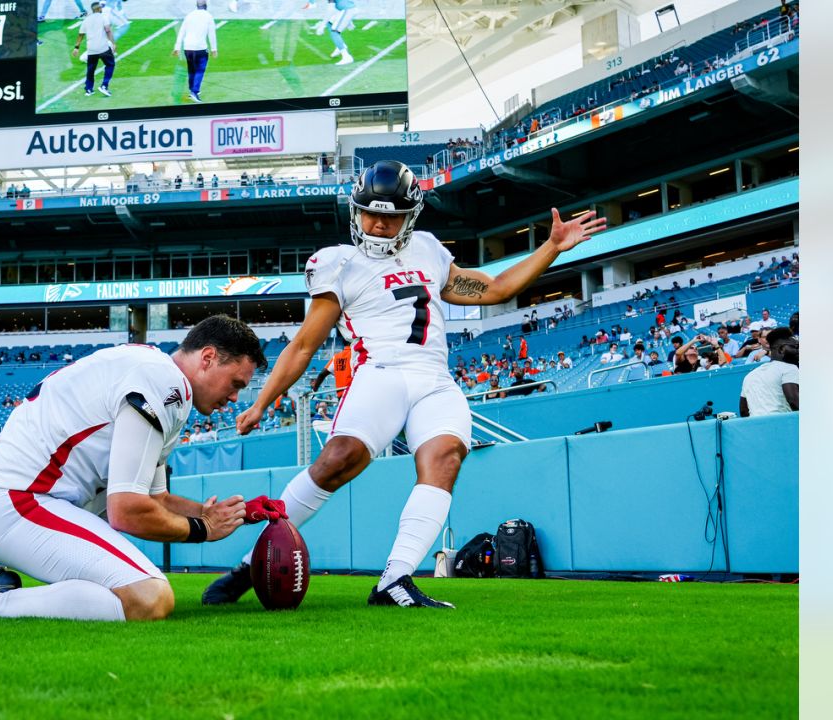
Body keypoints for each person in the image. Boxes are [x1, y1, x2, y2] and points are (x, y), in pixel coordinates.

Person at [203, 160, 605, 609]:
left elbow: (492, 289)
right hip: (381, 372)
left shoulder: (429, 250)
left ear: (410, 215)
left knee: (446, 455)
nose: (377, 223)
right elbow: (301, 345)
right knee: (339, 459)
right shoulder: (339, 262)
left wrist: (551, 248)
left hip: (434, 377)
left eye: (390, 215)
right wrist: (261, 404)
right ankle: (246, 565)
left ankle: (395, 580)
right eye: (369, 213)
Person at [0, 316, 282, 623]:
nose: (236, 397)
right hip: (19, 501)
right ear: (208, 358)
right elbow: (127, 512)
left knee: (125, 592)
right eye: (236, 383)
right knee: (149, 597)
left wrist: (210, 513)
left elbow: (155, 499)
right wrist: (203, 529)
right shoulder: (163, 383)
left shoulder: (159, 377)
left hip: (28, 500)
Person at [740, 327, 798, 417]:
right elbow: (793, 401)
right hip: (782, 427)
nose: (799, 351)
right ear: (782, 349)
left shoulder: (750, 376)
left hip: (756, 428)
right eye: (796, 347)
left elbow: (743, 411)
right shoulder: (790, 368)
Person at [173, 0, 218, 103]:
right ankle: (194, 92)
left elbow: (182, 32)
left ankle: (191, 91)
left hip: (188, 48)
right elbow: (212, 34)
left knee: (191, 70)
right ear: (206, 6)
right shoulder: (208, 16)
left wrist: (177, 47)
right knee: (200, 70)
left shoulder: (189, 15)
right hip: (200, 48)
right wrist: (214, 49)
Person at [74, 2, 117, 98]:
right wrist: (113, 43)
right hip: (103, 48)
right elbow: (108, 30)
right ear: (99, 9)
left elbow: (81, 34)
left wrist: (76, 48)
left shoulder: (86, 20)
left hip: (91, 49)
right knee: (110, 64)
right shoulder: (103, 17)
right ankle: (104, 86)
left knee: (90, 69)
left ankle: (89, 89)